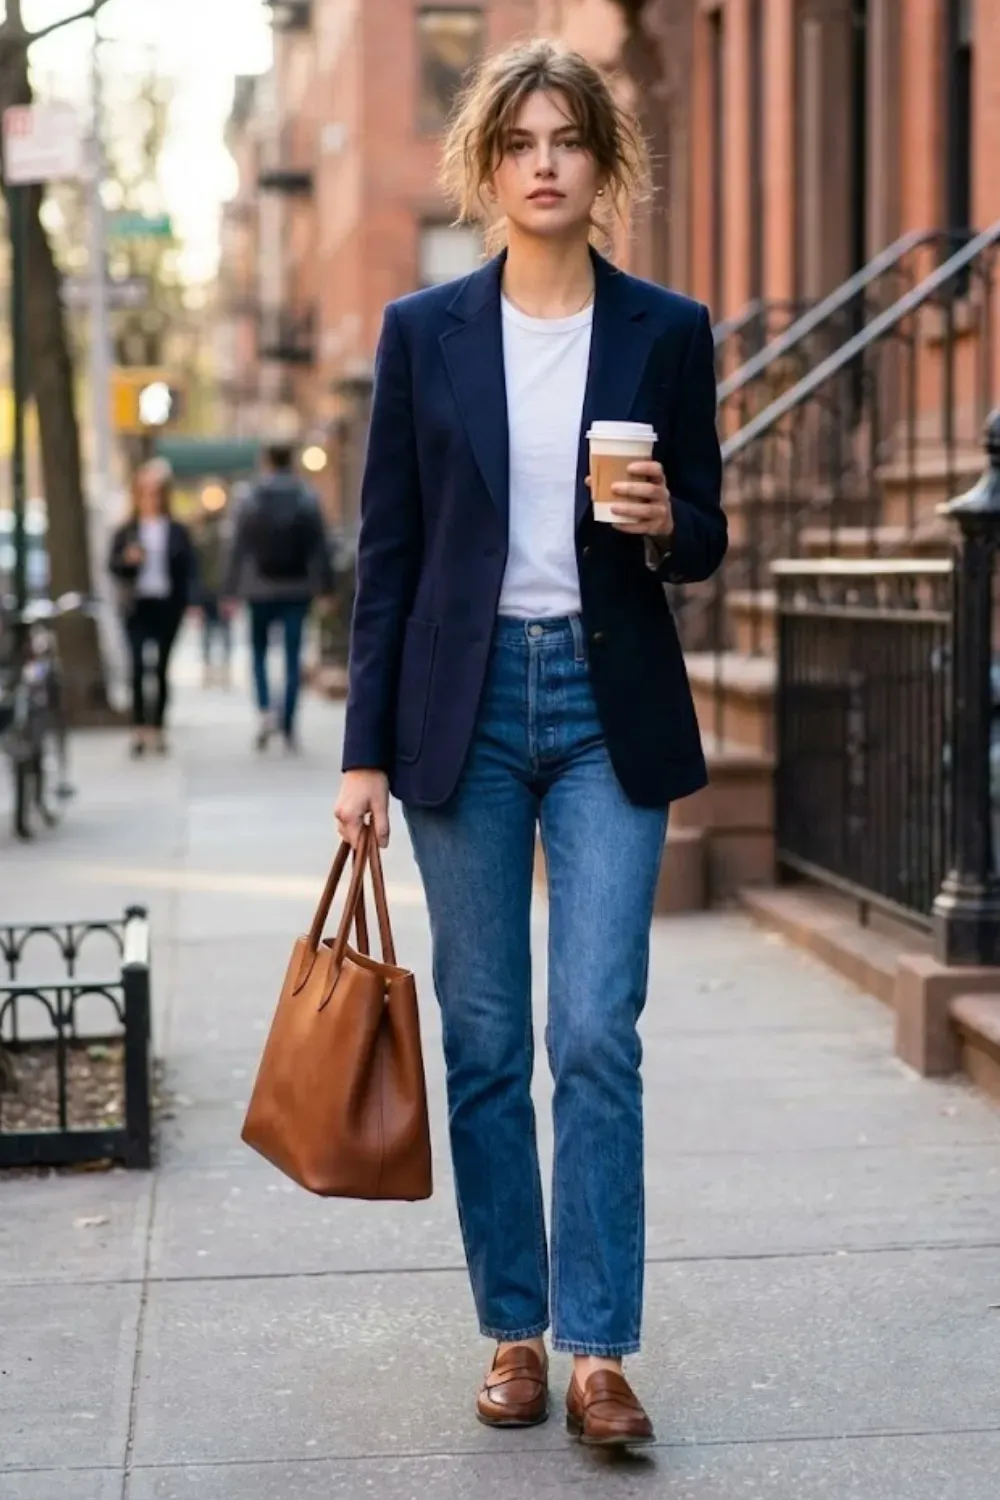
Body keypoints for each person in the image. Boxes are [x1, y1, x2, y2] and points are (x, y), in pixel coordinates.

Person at [335, 39, 725, 1448]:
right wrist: (360, 756)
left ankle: (600, 1352)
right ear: (488, 168)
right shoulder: (423, 332)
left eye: (568, 137)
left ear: (601, 162)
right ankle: (513, 1325)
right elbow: (389, 552)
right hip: (467, 709)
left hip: (608, 707)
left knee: (594, 1033)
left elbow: (711, 528)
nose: (546, 160)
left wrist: (667, 521)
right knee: (490, 1039)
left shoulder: (666, 330)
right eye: (520, 140)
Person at [223, 444, 333, 751]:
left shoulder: (250, 496)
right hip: (298, 589)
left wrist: (229, 589)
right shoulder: (306, 496)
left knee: (257, 651)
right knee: (293, 655)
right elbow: (319, 546)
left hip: (258, 588)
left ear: (266, 462)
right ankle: (288, 719)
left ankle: (264, 711)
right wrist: (325, 588)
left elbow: (237, 546)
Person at [109, 458, 195, 758]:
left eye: (155, 491)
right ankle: (138, 728)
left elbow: (188, 568)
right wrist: (127, 561)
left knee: (160, 668)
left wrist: (190, 603)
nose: (150, 497)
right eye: (144, 491)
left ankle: (158, 727)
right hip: (136, 605)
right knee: (136, 667)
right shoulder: (127, 530)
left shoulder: (176, 530)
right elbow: (113, 566)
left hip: (167, 605)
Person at [192, 502, 234, 689]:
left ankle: (221, 669)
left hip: (219, 590)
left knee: (221, 631)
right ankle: (211, 669)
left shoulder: (225, 536)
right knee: (211, 632)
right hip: (208, 590)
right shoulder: (202, 536)